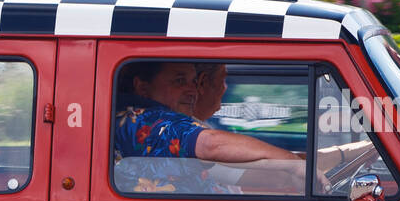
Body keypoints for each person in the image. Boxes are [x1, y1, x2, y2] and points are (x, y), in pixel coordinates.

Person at [114, 61, 298, 163]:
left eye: (193, 82)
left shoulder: (165, 120)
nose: (192, 90)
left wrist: (295, 164)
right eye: (179, 81)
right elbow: (210, 144)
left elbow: (233, 171)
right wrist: (292, 163)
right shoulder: (140, 120)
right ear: (143, 88)